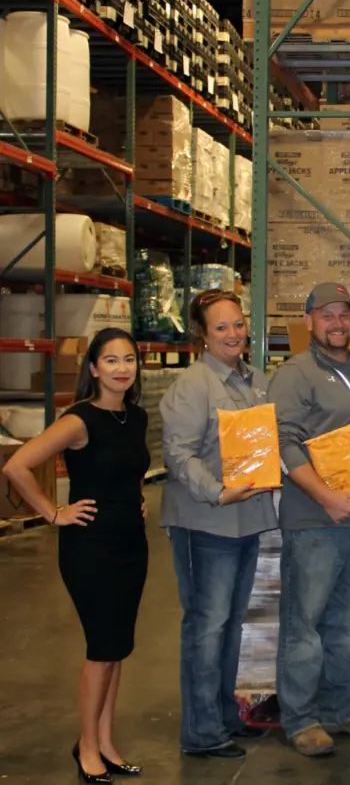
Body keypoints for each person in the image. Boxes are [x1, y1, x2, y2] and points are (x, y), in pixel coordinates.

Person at [3, 328, 148, 784]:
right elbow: (16, 465)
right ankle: (86, 746)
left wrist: (135, 497)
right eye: (111, 360)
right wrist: (52, 512)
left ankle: (105, 741)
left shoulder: (136, 417)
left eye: (129, 359)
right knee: (101, 647)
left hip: (131, 543)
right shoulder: (80, 419)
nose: (122, 368)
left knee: (117, 648)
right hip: (91, 547)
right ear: (93, 369)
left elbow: (128, 469)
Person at [268, 282, 350, 757]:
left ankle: (342, 709)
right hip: (315, 521)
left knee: (344, 622)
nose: (337, 323)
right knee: (304, 623)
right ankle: (301, 719)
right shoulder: (294, 374)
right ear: (309, 322)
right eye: (327, 315)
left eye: (344, 314)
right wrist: (325, 497)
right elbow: (284, 444)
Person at [160, 289, 278, 760]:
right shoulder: (194, 384)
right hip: (207, 522)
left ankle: (226, 717)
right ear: (202, 336)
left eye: (238, 324)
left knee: (229, 627)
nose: (233, 333)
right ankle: (202, 733)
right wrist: (217, 491)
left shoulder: (255, 381)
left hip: (245, 521)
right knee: (206, 627)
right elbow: (178, 454)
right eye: (221, 327)